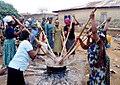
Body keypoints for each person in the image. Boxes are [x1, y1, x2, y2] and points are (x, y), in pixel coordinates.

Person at [78, 12, 107, 85]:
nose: (90, 34)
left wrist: (92, 19)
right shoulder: (93, 43)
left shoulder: (99, 43)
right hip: (93, 70)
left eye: (92, 34)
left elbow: (94, 32)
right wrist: (80, 40)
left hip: (99, 71)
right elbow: (85, 47)